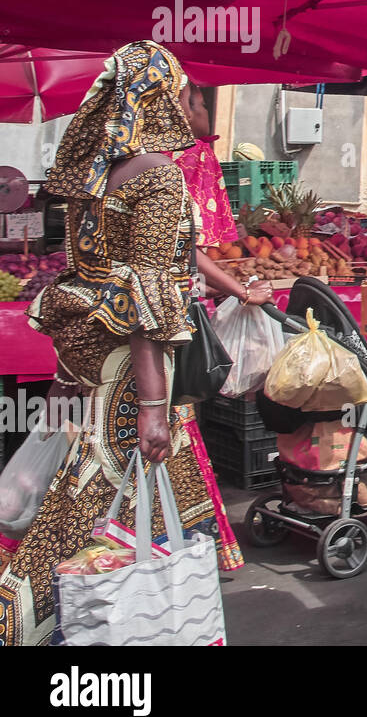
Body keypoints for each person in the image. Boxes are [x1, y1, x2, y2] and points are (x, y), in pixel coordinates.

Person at [0, 42, 224, 646]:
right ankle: (51, 621)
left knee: (92, 489)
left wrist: (64, 380)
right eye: (184, 92)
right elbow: (146, 300)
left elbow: (88, 281)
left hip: (90, 355)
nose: (190, 103)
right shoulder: (159, 176)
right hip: (133, 370)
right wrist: (154, 407)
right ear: (157, 100)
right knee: (106, 500)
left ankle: (71, 618)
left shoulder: (90, 182)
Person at [172, 83, 273, 573]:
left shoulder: (126, 160)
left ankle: (159, 541)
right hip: (168, 318)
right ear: (182, 109)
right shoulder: (180, 162)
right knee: (172, 422)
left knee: (168, 421)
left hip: (143, 318)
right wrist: (237, 290)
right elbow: (186, 247)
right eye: (199, 101)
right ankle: (181, 545)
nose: (207, 110)